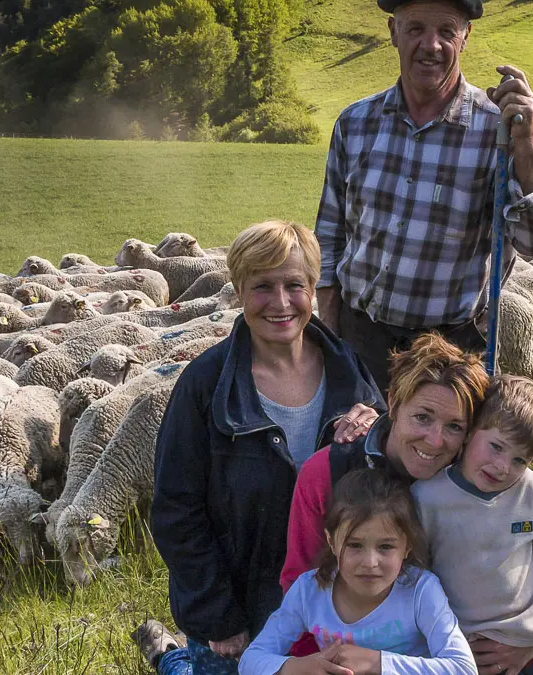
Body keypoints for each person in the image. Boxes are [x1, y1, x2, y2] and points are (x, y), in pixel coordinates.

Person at [132, 220, 387, 674]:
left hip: (333, 612)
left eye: (294, 285)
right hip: (240, 616)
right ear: (238, 290)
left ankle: (166, 657)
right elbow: (176, 510)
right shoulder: (205, 388)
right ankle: (171, 658)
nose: (281, 302)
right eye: (262, 286)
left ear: (313, 288)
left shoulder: (350, 373)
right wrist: (219, 615)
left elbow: (386, 488)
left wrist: (379, 431)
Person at [314, 0, 533, 392]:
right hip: (360, 340)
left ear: (465, 37)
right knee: (352, 450)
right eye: (416, 29)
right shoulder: (355, 123)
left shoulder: (497, 131)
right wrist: (328, 333)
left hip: (451, 352)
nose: (431, 45)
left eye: (446, 31)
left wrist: (529, 144)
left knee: (440, 454)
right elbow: (329, 234)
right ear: (393, 32)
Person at [411, 374, 533, 675]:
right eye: (496, 446)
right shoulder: (428, 497)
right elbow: (416, 571)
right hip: (460, 639)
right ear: (469, 433)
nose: (503, 467)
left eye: (520, 460)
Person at [279, 331, 490, 593]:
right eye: (422, 417)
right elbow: (300, 582)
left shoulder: (479, 478)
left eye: (455, 427)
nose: (435, 441)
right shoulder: (327, 472)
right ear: (393, 404)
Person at [239, 468, 477, 675]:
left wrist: (377, 662)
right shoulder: (308, 590)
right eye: (354, 545)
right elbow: (251, 660)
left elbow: (463, 668)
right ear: (331, 542)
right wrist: (294, 668)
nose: (370, 562)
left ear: (407, 546)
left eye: (386, 547)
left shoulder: (420, 591)